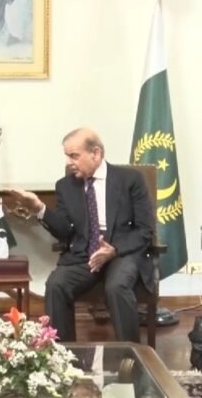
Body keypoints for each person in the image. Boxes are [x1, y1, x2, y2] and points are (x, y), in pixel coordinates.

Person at [10, 128, 155, 343]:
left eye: (74, 156)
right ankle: (63, 356)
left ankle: (131, 355)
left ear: (95, 153)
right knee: (56, 285)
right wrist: (39, 208)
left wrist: (113, 250)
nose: (68, 162)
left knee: (116, 286)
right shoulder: (65, 186)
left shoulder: (130, 180)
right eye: (67, 156)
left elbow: (145, 229)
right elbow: (64, 232)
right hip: (84, 255)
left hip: (121, 253)